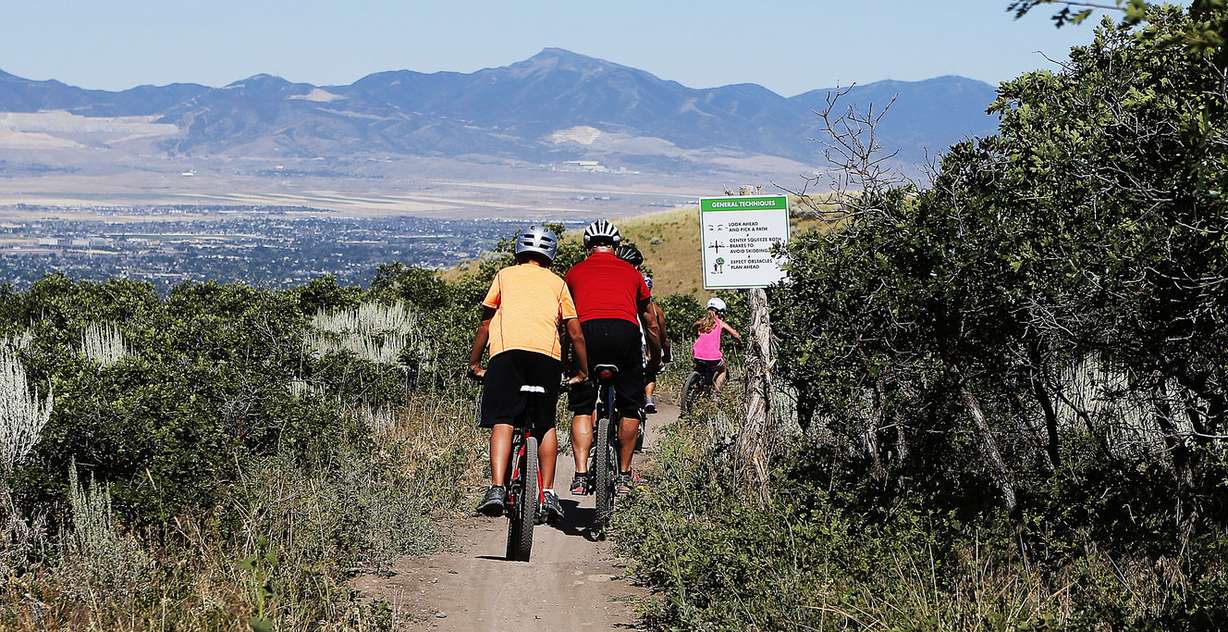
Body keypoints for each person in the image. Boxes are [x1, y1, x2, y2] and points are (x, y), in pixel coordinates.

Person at [469, 225, 588, 523]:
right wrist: (582, 371)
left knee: (504, 418)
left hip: (506, 356)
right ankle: (547, 493)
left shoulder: (504, 276)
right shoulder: (558, 284)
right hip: (547, 360)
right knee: (545, 421)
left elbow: (485, 324)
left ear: (519, 251)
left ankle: (496, 488)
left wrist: (474, 364)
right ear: (551, 254)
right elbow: (574, 334)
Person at [565, 220, 661, 496]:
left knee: (583, 407)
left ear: (587, 247)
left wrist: (565, 360)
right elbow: (650, 323)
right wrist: (654, 358)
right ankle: (623, 475)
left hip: (587, 333)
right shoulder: (632, 273)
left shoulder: (574, 272)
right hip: (624, 332)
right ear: (616, 247)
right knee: (631, 407)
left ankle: (581, 475)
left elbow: (565, 322)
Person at [614, 244, 670, 415]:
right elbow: (657, 329)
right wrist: (661, 354)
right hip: (637, 343)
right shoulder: (653, 307)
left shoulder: (613, 288)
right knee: (648, 374)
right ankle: (648, 399)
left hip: (606, 338)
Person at [693, 297, 741, 392]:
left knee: (699, 366)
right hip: (713, 357)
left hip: (696, 354)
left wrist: (696, 333)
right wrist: (739, 342)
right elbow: (736, 335)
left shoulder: (701, 322)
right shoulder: (720, 323)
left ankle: (696, 385)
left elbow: (694, 326)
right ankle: (716, 394)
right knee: (723, 370)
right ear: (721, 312)